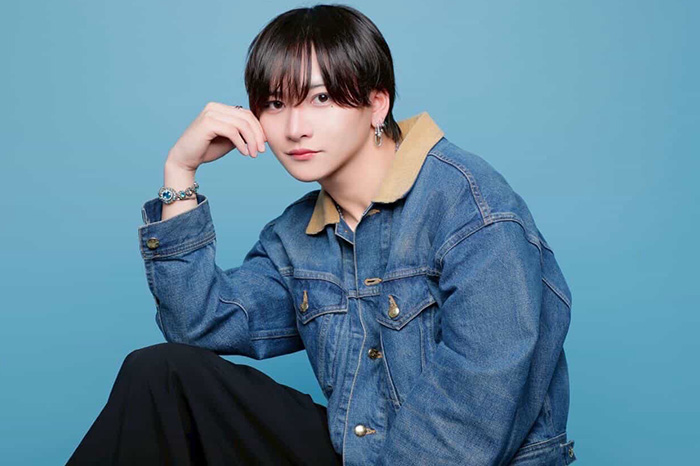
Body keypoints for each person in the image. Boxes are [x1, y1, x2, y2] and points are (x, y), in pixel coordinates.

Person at [68, 4, 577, 465]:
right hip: (363, 454)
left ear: (377, 104)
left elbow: (477, 404)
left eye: (321, 98)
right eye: (275, 103)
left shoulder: (472, 209)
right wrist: (180, 173)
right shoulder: (296, 236)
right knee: (162, 376)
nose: (295, 128)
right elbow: (198, 324)